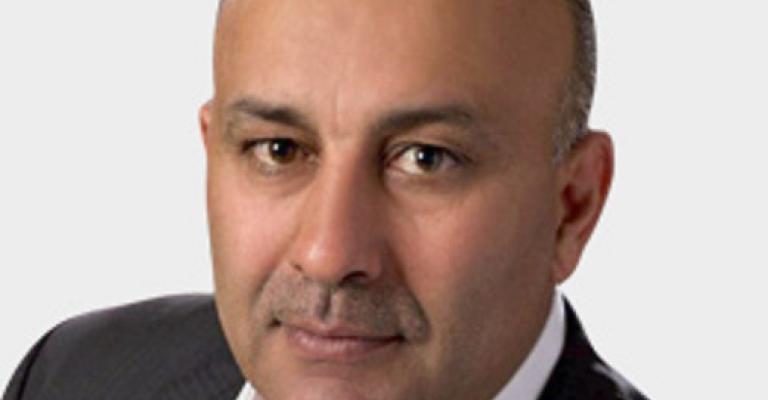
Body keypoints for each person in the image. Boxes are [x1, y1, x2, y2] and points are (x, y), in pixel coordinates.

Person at [3, 0, 648, 399]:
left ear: (572, 208)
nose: (328, 254)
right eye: (278, 149)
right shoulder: (74, 377)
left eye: (426, 159)